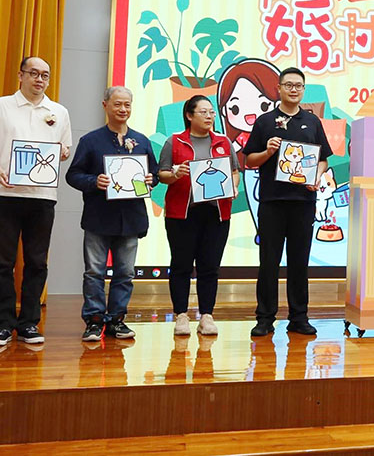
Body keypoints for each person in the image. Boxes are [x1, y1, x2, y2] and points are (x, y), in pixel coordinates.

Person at [244, 67, 332, 336]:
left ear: (303, 90)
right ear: (279, 88)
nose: (294, 89)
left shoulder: (312, 122)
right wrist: (268, 151)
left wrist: (316, 177)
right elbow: (250, 160)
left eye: (298, 86)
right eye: (289, 85)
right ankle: (265, 318)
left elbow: (323, 159)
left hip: (303, 202)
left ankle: (299, 317)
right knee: (268, 262)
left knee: (299, 262)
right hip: (272, 201)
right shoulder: (265, 121)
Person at [66, 86, 158, 341]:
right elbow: (73, 175)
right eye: (117, 104)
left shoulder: (142, 140)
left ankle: (117, 320)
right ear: (105, 105)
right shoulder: (90, 141)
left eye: (127, 104)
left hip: (131, 218)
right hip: (98, 217)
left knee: (125, 273)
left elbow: (154, 174)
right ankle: (94, 320)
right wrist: (94, 181)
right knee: (94, 272)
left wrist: (150, 179)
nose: (123, 109)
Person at [0, 57, 72, 345]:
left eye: (45, 75)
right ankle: (4, 323)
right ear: (21, 75)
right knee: (3, 262)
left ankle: (29, 323)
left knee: (37, 262)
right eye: (34, 73)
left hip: (42, 197)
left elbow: (65, 149)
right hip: (6, 194)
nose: (40, 79)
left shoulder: (59, 112)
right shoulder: (3, 106)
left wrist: (63, 152)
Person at [158, 95, 239, 336]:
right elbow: (162, 174)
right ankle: (181, 315)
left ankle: (206, 316)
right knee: (181, 265)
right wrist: (176, 174)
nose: (209, 116)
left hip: (216, 213)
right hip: (182, 213)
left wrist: (233, 187)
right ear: (189, 115)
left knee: (210, 266)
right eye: (203, 112)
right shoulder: (174, 142)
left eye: (211, 112)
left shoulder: (224, 142)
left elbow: (234, 171)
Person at [216, 58, 280, 245]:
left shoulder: (279, 129)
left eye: (263, 105)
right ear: (224, 111)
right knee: (255, 200)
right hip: (251, 171)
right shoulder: (241, 137)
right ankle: (261, 230)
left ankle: (277, 230)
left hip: (276, 171)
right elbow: (232, 151)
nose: (250, 116)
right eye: (235, 108)